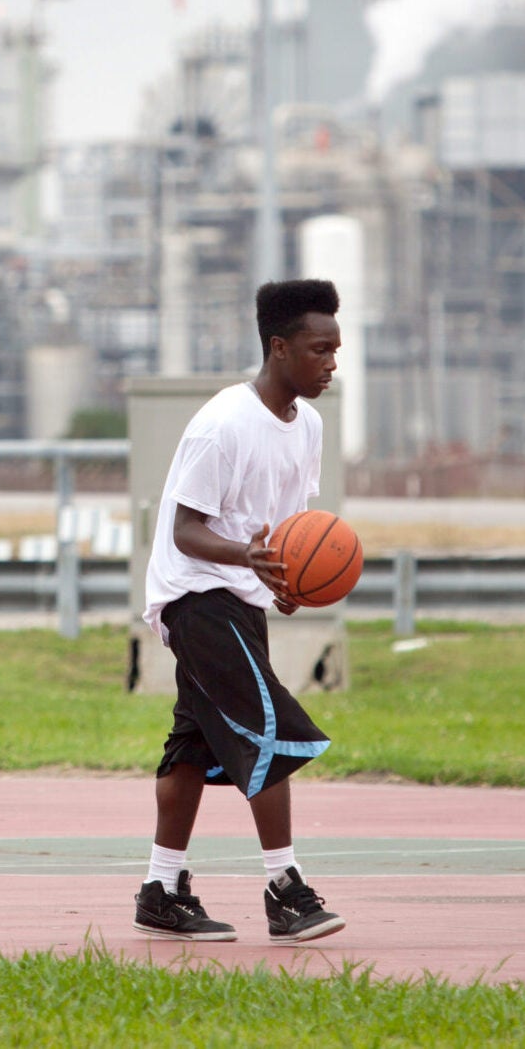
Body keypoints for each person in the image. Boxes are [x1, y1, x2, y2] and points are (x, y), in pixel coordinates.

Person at [132, 278, 347, 945]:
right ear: (278, 347)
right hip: (197, 593)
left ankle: (161, 888)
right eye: (319, 349)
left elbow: (288, 529)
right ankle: (285, 889)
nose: (331, 362)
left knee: (191, 748)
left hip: (241, 594)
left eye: (336, 348)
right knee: (268, 731)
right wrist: (246, 559)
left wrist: (288, 581)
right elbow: (184, 530)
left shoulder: (307, 424)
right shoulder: (222, 423)